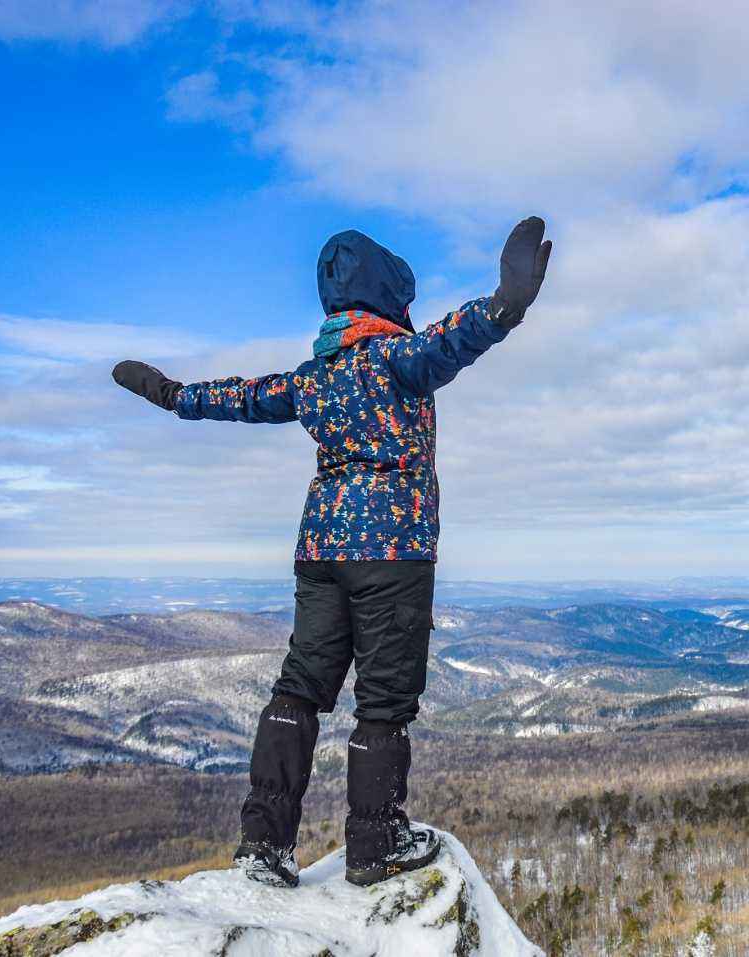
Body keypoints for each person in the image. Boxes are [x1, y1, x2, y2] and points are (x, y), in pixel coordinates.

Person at [111, 217, 552, 887]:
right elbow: (450, 341)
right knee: (383, 700)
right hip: (392, 550)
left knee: (300, 687)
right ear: (385, 297)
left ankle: (264, 845)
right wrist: (504, 306)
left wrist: (173, 396)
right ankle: (376, 842)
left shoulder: (313, 378)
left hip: (320, 547)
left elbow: (242, 397)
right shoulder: (395, 358)